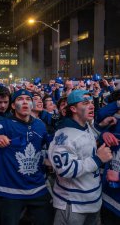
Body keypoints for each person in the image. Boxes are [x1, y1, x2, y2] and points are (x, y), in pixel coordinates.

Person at [0, 89, 54, 225]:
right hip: (10, 191)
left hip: (37, 188)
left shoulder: (40, 125)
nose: (25, 102)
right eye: (20, 99)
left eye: (28, 99)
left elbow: (50, 144)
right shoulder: (5, 124)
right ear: (14, 106)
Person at [48, 90, 113, 225]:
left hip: (92, 201)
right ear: (73, 108)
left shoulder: (85, 126)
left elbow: (86, 143)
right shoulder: (64, 135)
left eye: (91, 102)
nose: (92, 106)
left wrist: (101, 129)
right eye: (85, 103)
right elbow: (65, 169)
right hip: (73, 205)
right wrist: (97, 159)